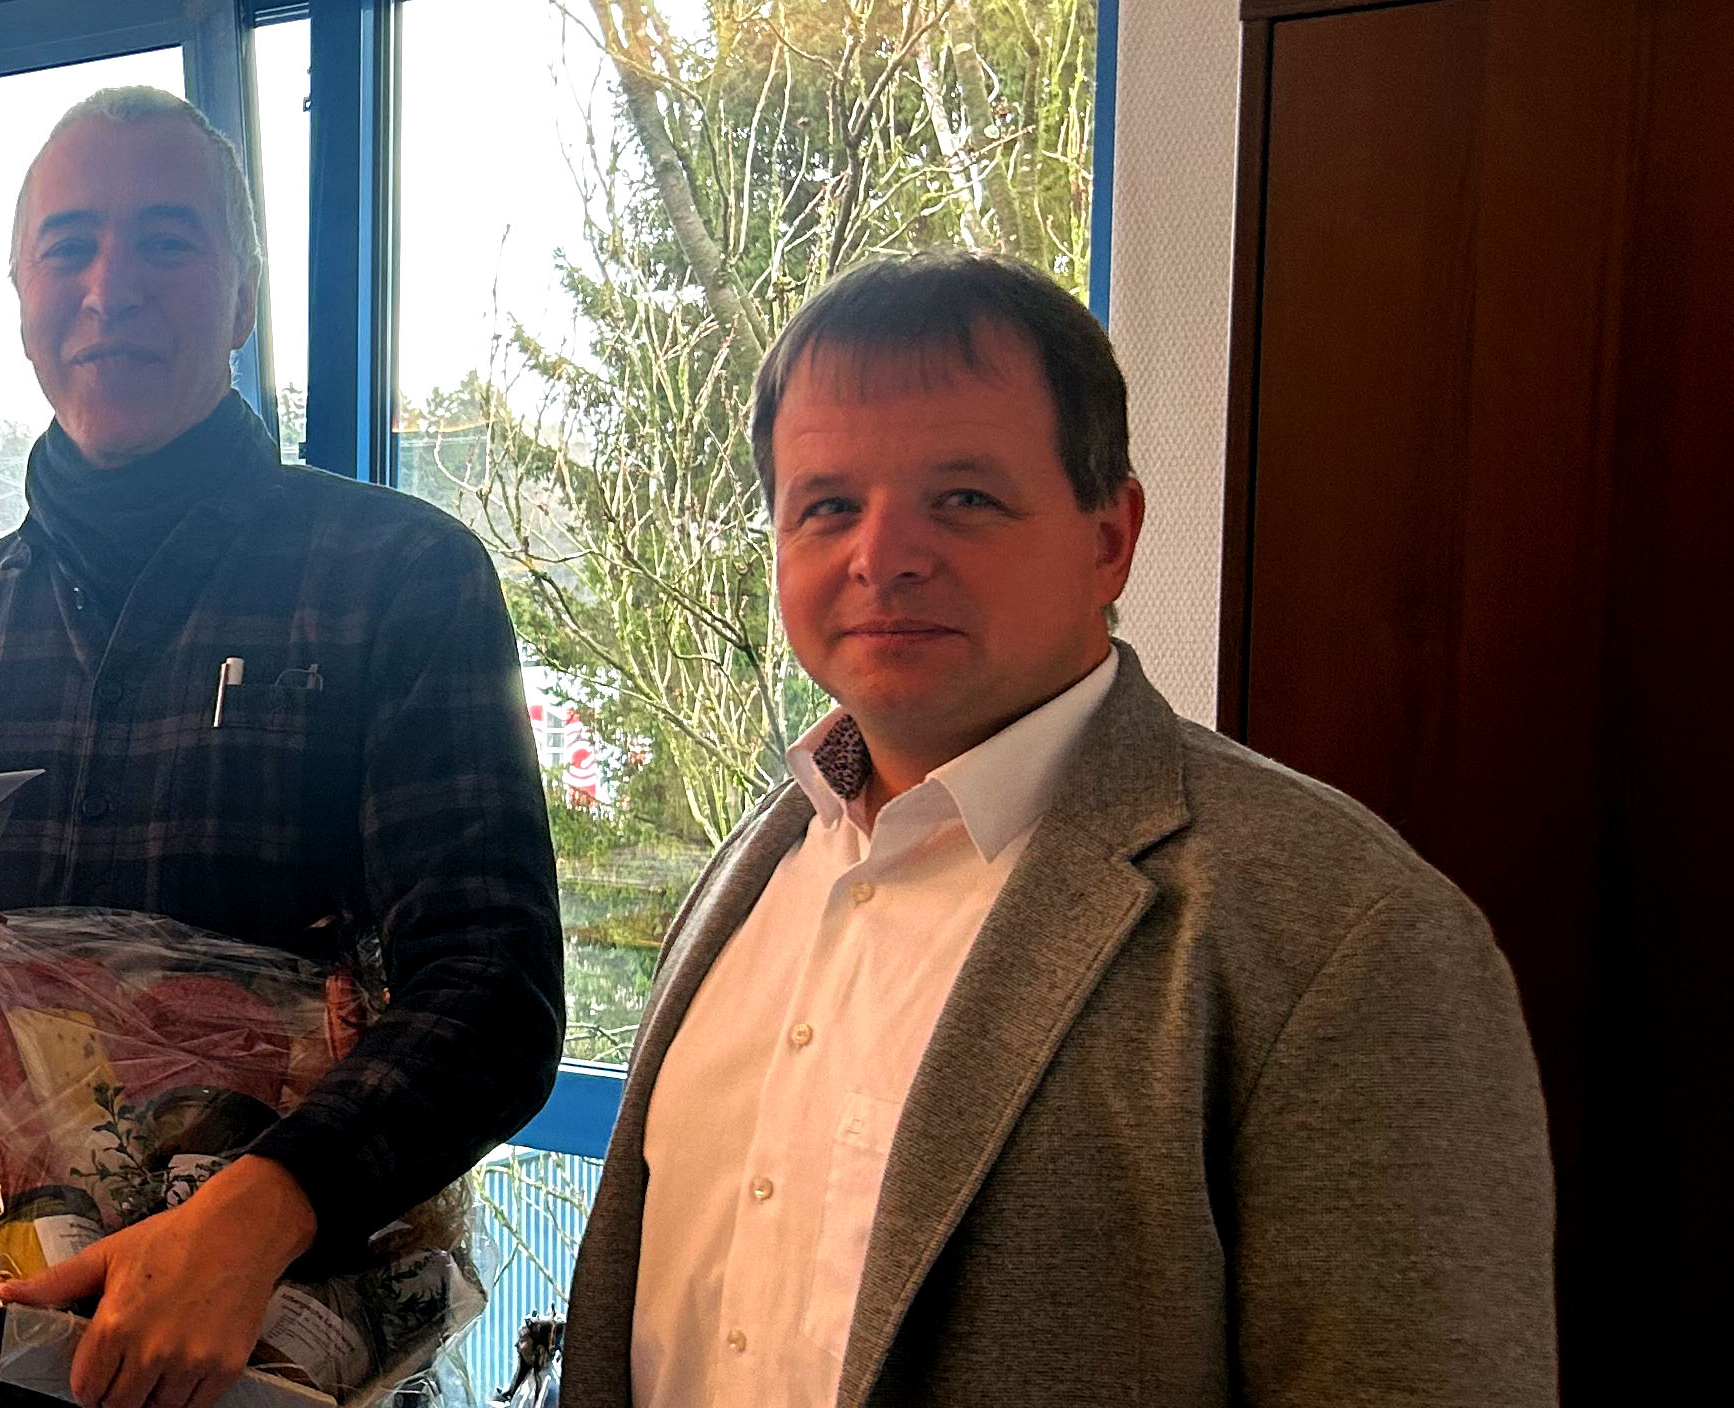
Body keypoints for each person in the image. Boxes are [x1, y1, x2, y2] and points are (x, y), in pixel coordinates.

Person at [557, 253, 1558, 1406]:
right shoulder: (757, 864)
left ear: (1107, 537)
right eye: (826, 506)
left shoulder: (1341, 934)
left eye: (962, 498)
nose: (880, 556)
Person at [0, 87, 567, 1408]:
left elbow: (495, 990)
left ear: (243, 295)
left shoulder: (397, 582)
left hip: (268, 1354)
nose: (111, 287)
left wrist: (259, 1210)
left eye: (166, 240)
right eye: (69, 246)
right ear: (20, 294)